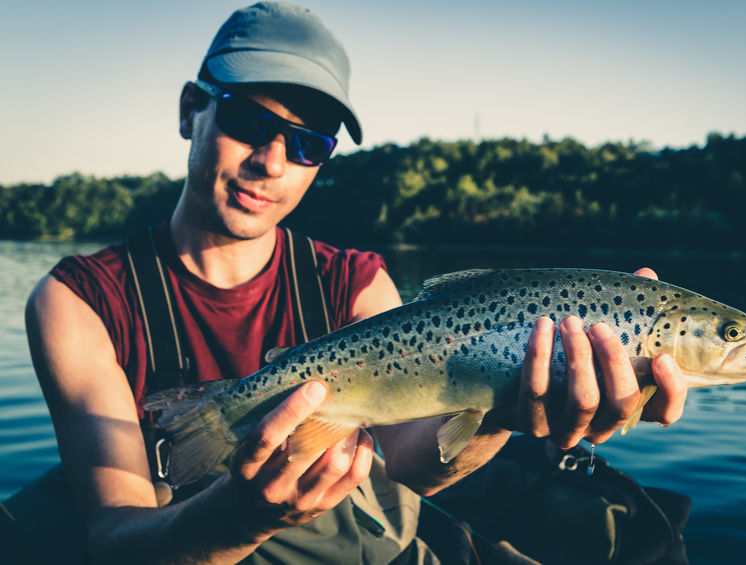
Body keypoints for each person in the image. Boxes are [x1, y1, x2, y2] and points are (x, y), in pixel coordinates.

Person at [24, 2, 687, 563]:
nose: (271, 160)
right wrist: (240, 516)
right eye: (248, 122)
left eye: (308, 143)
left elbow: (407, 459)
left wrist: (499, 412)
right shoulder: (79, 298)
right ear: (190, 111)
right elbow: (113, 539)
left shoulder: (355, 281)